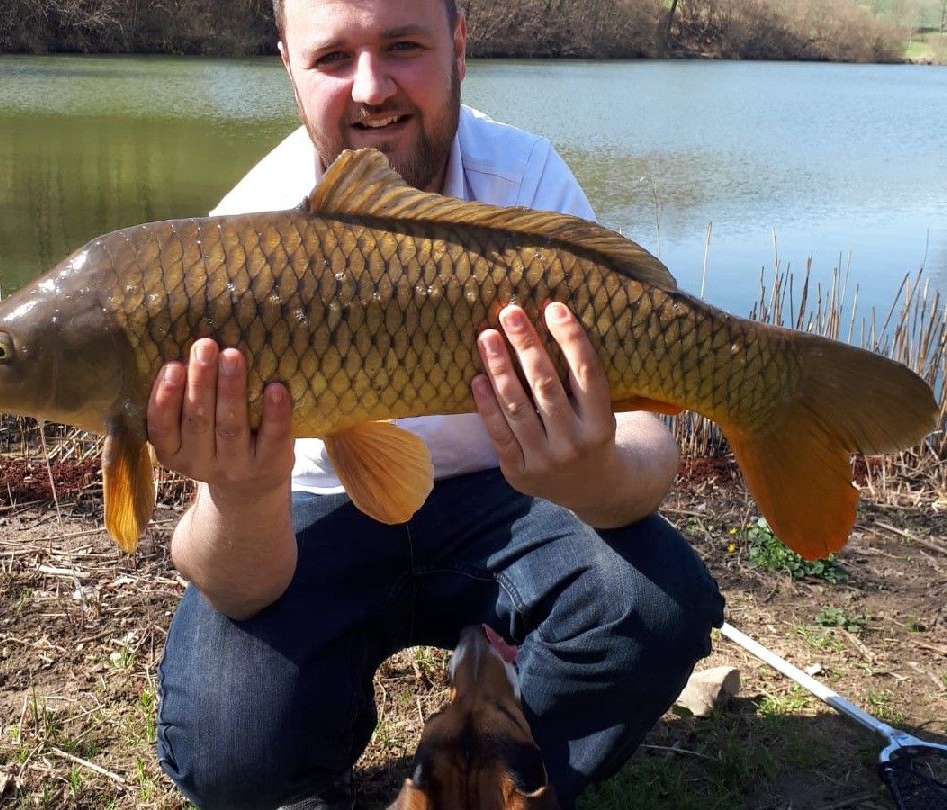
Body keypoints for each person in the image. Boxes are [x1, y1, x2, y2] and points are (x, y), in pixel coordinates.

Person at [151, 0, 724, 807]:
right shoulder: (240, 237)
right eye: (331, 60)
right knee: (228, 744)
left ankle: (509, 771)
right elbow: (237, 582)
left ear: (460, 44)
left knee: (656, 604)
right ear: (285, 60)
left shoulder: (520, 183)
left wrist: (590, 470)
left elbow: (648, 451)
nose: (371, 89)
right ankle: (323, 753)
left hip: (509, 501)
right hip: (312, 512)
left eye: (403, 46)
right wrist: (243, 492)